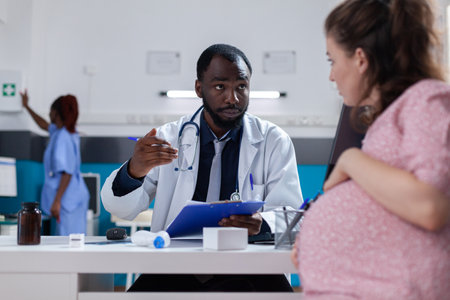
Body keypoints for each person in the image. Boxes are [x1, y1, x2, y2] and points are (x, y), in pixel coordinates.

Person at [101, 43, 303, 291]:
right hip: (176, 266)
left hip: (249, 264)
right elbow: (121, 208)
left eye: (241, 86)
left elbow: (293, 216)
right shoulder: (168, 138)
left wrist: (263, 222)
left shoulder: (273, 140)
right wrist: (135, 170)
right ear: (199, 88)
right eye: (220, 87)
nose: (233, 98)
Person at [291, 0, 450, 298]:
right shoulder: (384, 122)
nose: (331, 75)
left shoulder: (425, 100)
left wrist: (351, 160)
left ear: (360, 59)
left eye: (332, 60)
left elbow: (431, 206)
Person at [21, 90, 90, 236]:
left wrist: (57, 201)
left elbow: (67, 172)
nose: (48, 114)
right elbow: (43, 125)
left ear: (56, 113)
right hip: (71, 197)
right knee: (69, 240)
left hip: (68, 200)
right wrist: (26, 106)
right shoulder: (61, 132)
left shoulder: (63, 137)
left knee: (70, 242)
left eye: (50, 110)